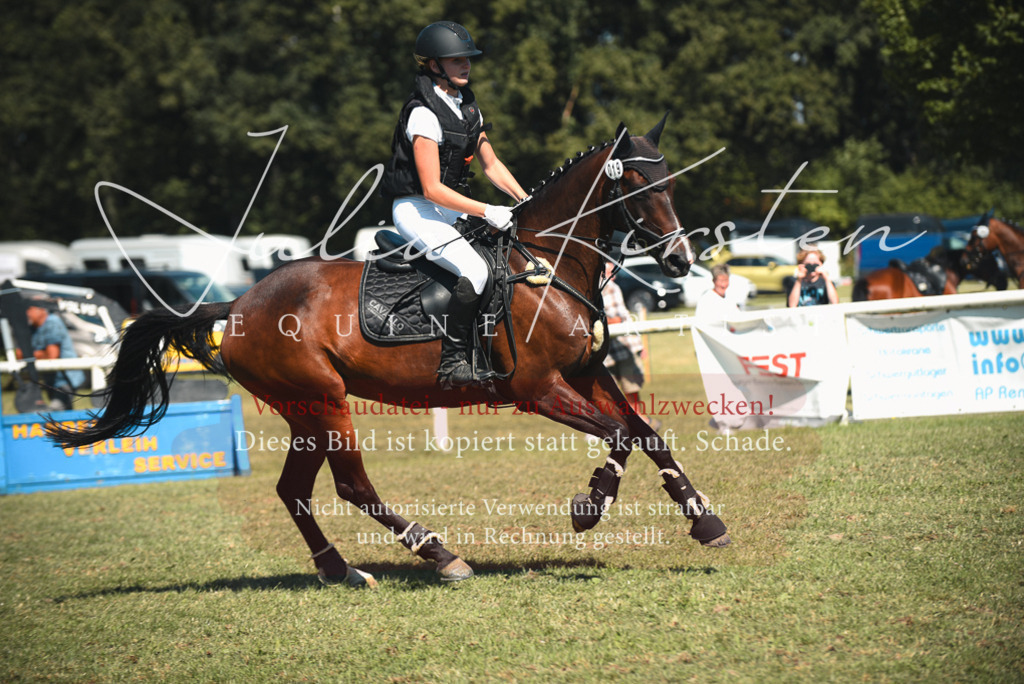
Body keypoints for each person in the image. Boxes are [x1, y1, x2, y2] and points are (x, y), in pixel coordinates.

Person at [380, 21, 528, 389]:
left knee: (501, 258)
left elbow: (491, 164)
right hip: (417, 208)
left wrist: (525, 200)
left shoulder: (466, 106)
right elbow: (431, 188)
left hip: (451, 207)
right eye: (456, 59)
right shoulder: (423, 113)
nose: (466, 65)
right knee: (476, 273)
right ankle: (453, 362)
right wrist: (486, 210)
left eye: (468, 59)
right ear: (433, 65)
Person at [601, 262, 660, 430]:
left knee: (631, 386)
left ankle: (640, 421)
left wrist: (638, 345)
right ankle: (615, 424)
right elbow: (616, 319)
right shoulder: (607, 287)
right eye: (610, 271)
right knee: (608, 391)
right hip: (607, 350)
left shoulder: (613, 287)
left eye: (614, 271)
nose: (614, 275)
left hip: (624, 345)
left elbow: (622, 317)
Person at [26, 303, 85, 410]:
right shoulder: (32, 327)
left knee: (55, 411)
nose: (26, 313)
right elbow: (20, 353)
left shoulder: (53, 322)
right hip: (50, 380)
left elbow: (52, 355)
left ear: (40, 309)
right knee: (65, 415)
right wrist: (37, 354)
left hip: (66, 379)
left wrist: (31, 355)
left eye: (28, 309)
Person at [695, 264, 739, 329]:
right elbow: (701, 322)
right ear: (714, 281)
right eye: (721, 281)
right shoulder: (706, 299)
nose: (723, 285)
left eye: (726, 280)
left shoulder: (730, 298)